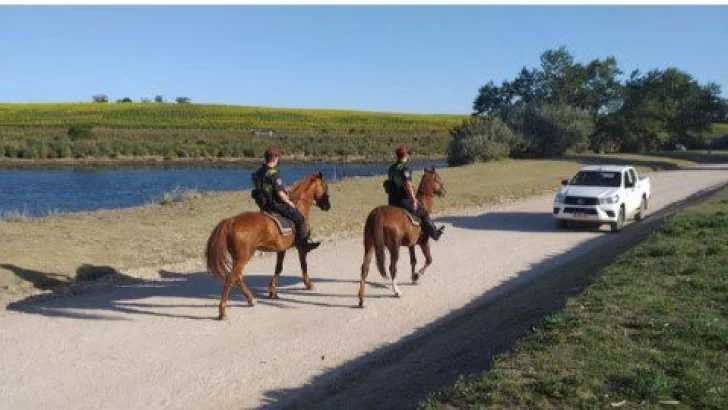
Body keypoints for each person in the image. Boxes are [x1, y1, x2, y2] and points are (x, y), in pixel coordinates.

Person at [251, 147, 321, 251]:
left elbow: (261, 187)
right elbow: (280, 193)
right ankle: (303, 245)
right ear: (275, 159)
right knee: (300, 219)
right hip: (275, 205)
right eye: (277, 157)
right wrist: (288, 201)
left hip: (263, 205)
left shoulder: (257, 173)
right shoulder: (274, 174)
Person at [385, 145, 445, 241]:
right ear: (406, 155)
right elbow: (407, 185)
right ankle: (434, 234)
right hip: (403, 201)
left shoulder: (391, 168)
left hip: (391, 201)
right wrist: (413, 200)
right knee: (424, 213)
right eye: (408, 153)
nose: (409, 155)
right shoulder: (405, 169)